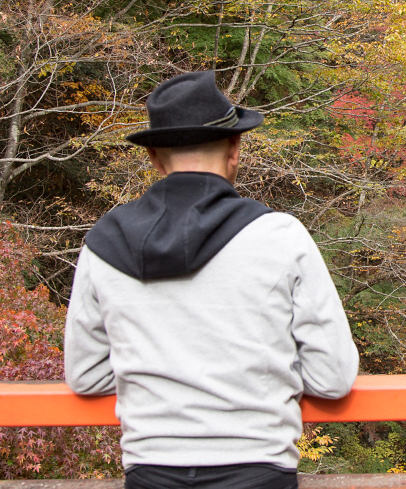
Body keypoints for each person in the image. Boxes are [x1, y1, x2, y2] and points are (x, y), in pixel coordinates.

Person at [64, 71, 359, 489]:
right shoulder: (279, 236)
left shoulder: (103, 243)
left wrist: (155, 367)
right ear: (234, 148)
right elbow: (332, 379)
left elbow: (85, 375)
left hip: (150, 470)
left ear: (153, 157)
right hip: (258, 469)